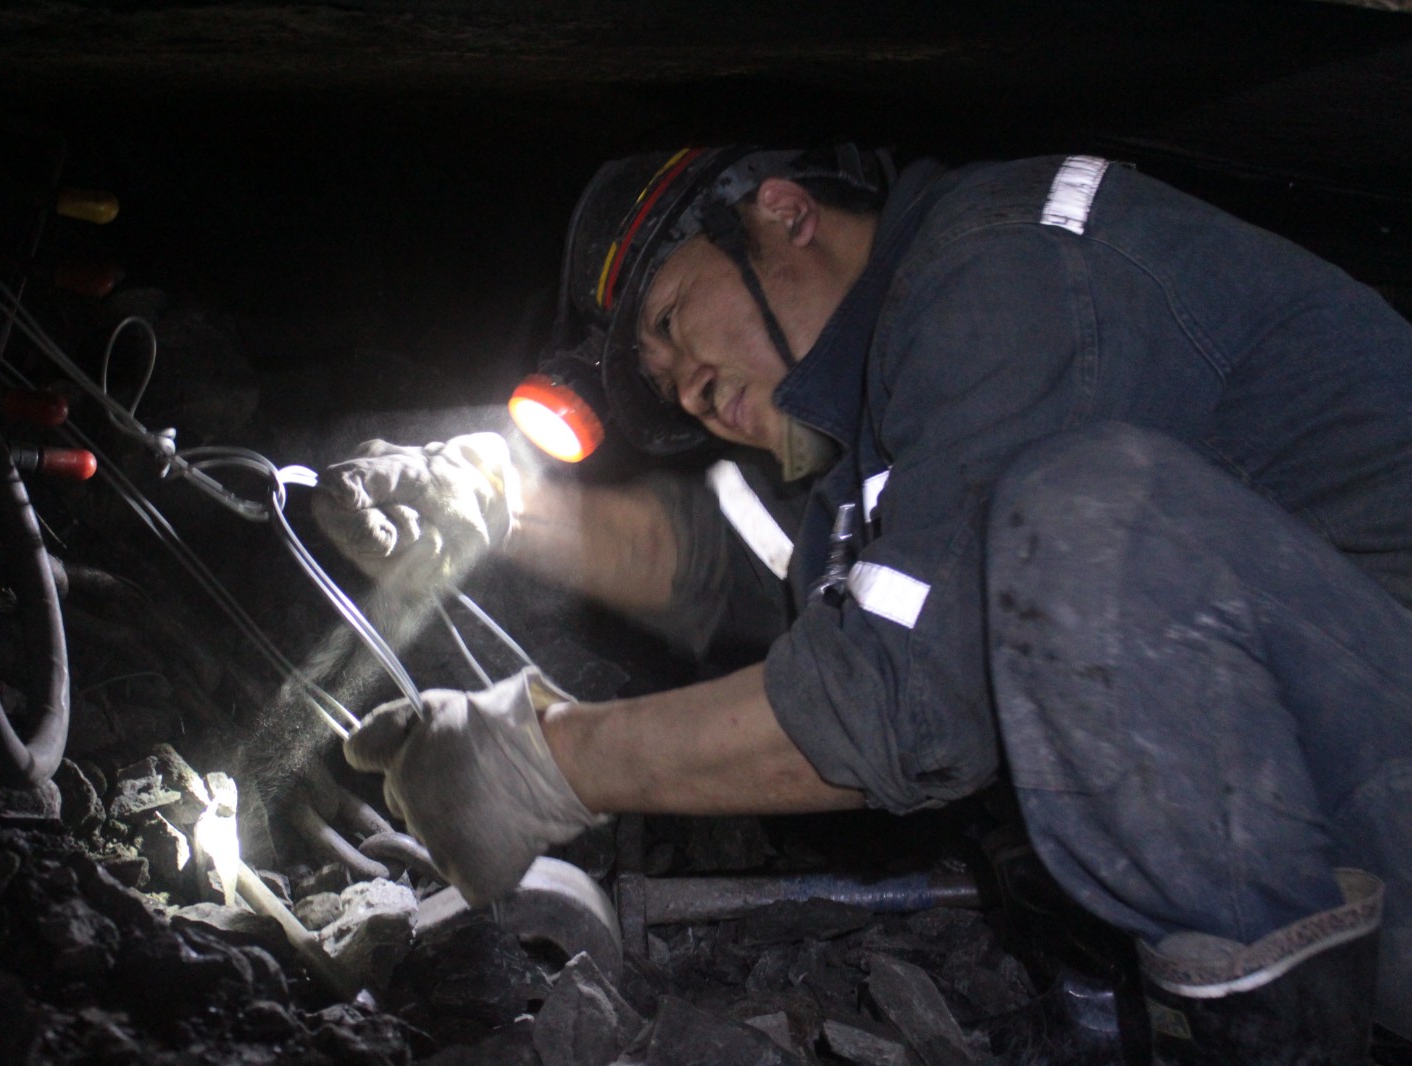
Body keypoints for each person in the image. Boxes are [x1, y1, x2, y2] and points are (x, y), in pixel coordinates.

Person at [312, 145, 1412, 1063]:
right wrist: (495, 507)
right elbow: (730, 568)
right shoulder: (881, 416)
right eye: (656, 376)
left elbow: (897, 697)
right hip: (1356, 792)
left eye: (672, 318)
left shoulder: (999, 270)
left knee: (1082, 525)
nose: (679, 383)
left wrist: (544, 763)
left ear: (784, 213)